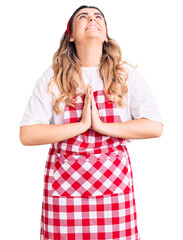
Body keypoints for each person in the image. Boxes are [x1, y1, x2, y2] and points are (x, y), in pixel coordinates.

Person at [19, 5, 163, 240]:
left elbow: (154, 126)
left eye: (98, 17)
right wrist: (81, 125)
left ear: (105, 34)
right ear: (71, 35)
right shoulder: (54, 77)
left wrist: (101, 127)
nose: (91, 18)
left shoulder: (124, 76)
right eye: (82, 16)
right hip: (65, 192)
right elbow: (27, 134)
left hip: (113, 189)